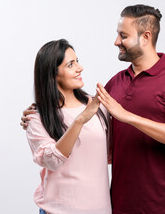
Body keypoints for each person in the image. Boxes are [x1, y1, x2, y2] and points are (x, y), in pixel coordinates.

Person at [22, 4, 165, 214]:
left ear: (145, 37)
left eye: (123, 35)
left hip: (160, 204)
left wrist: (128, 117)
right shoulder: (115, 84)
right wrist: (40, 111)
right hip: (118, 203)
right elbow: (100, 140)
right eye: (117, 34)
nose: (116, 42)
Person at [25, 39, 111, 214]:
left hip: (100, 210)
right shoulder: (37, 118)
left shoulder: (98, 106)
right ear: (52, 74)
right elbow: (52, 161)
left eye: (77, 61)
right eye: (71, 65)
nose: (80, 68)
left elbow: (111, 153)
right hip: (57, 210)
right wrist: (80, 120)